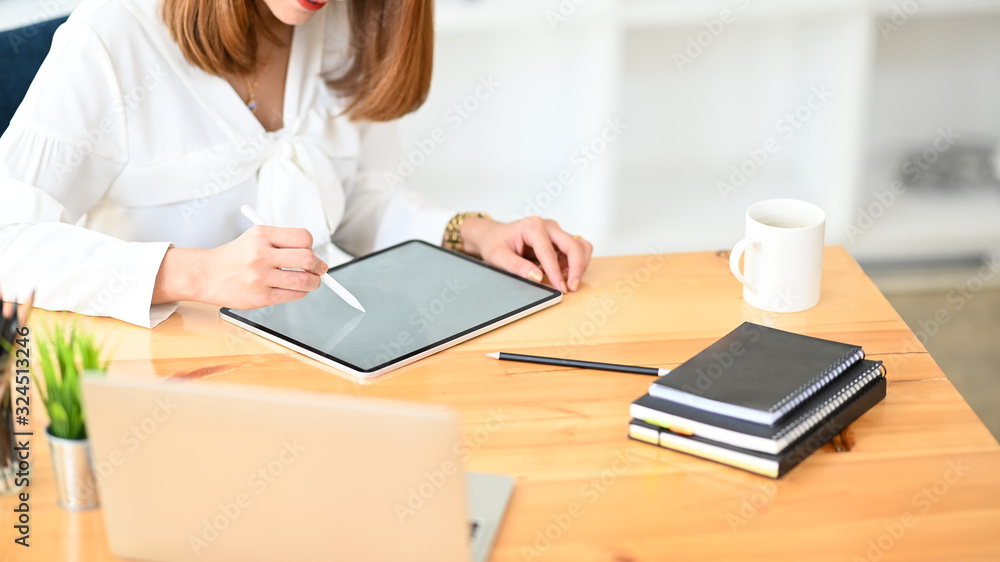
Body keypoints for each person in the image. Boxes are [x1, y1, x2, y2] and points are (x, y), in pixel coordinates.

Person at [0, 0, 592, 328]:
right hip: (165, 383)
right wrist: (195, 274)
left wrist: (476, 234)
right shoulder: (111, 41)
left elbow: (362, 203)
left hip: (320, 357)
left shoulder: (350, 22)